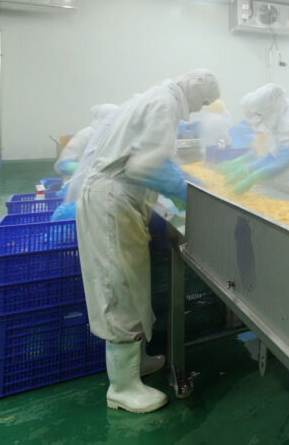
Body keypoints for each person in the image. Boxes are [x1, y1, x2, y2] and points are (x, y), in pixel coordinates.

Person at [76, 69, 220, 414]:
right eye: (203, 101)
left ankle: (135, 363)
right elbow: (145, 166)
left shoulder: (157, 98)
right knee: (119, 287)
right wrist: (189, 193)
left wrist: (182, 178)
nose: (199, 109)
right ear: (194, 88)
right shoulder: (163, 103)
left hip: (122, 201)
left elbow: (152, 157)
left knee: (132, 282)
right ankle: (122, 388)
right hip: (113, 203)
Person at [54, 104, 119, 180]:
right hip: (77, 182)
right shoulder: (86, 134)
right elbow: (63, 165)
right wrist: (87, 169)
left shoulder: (116, 136)